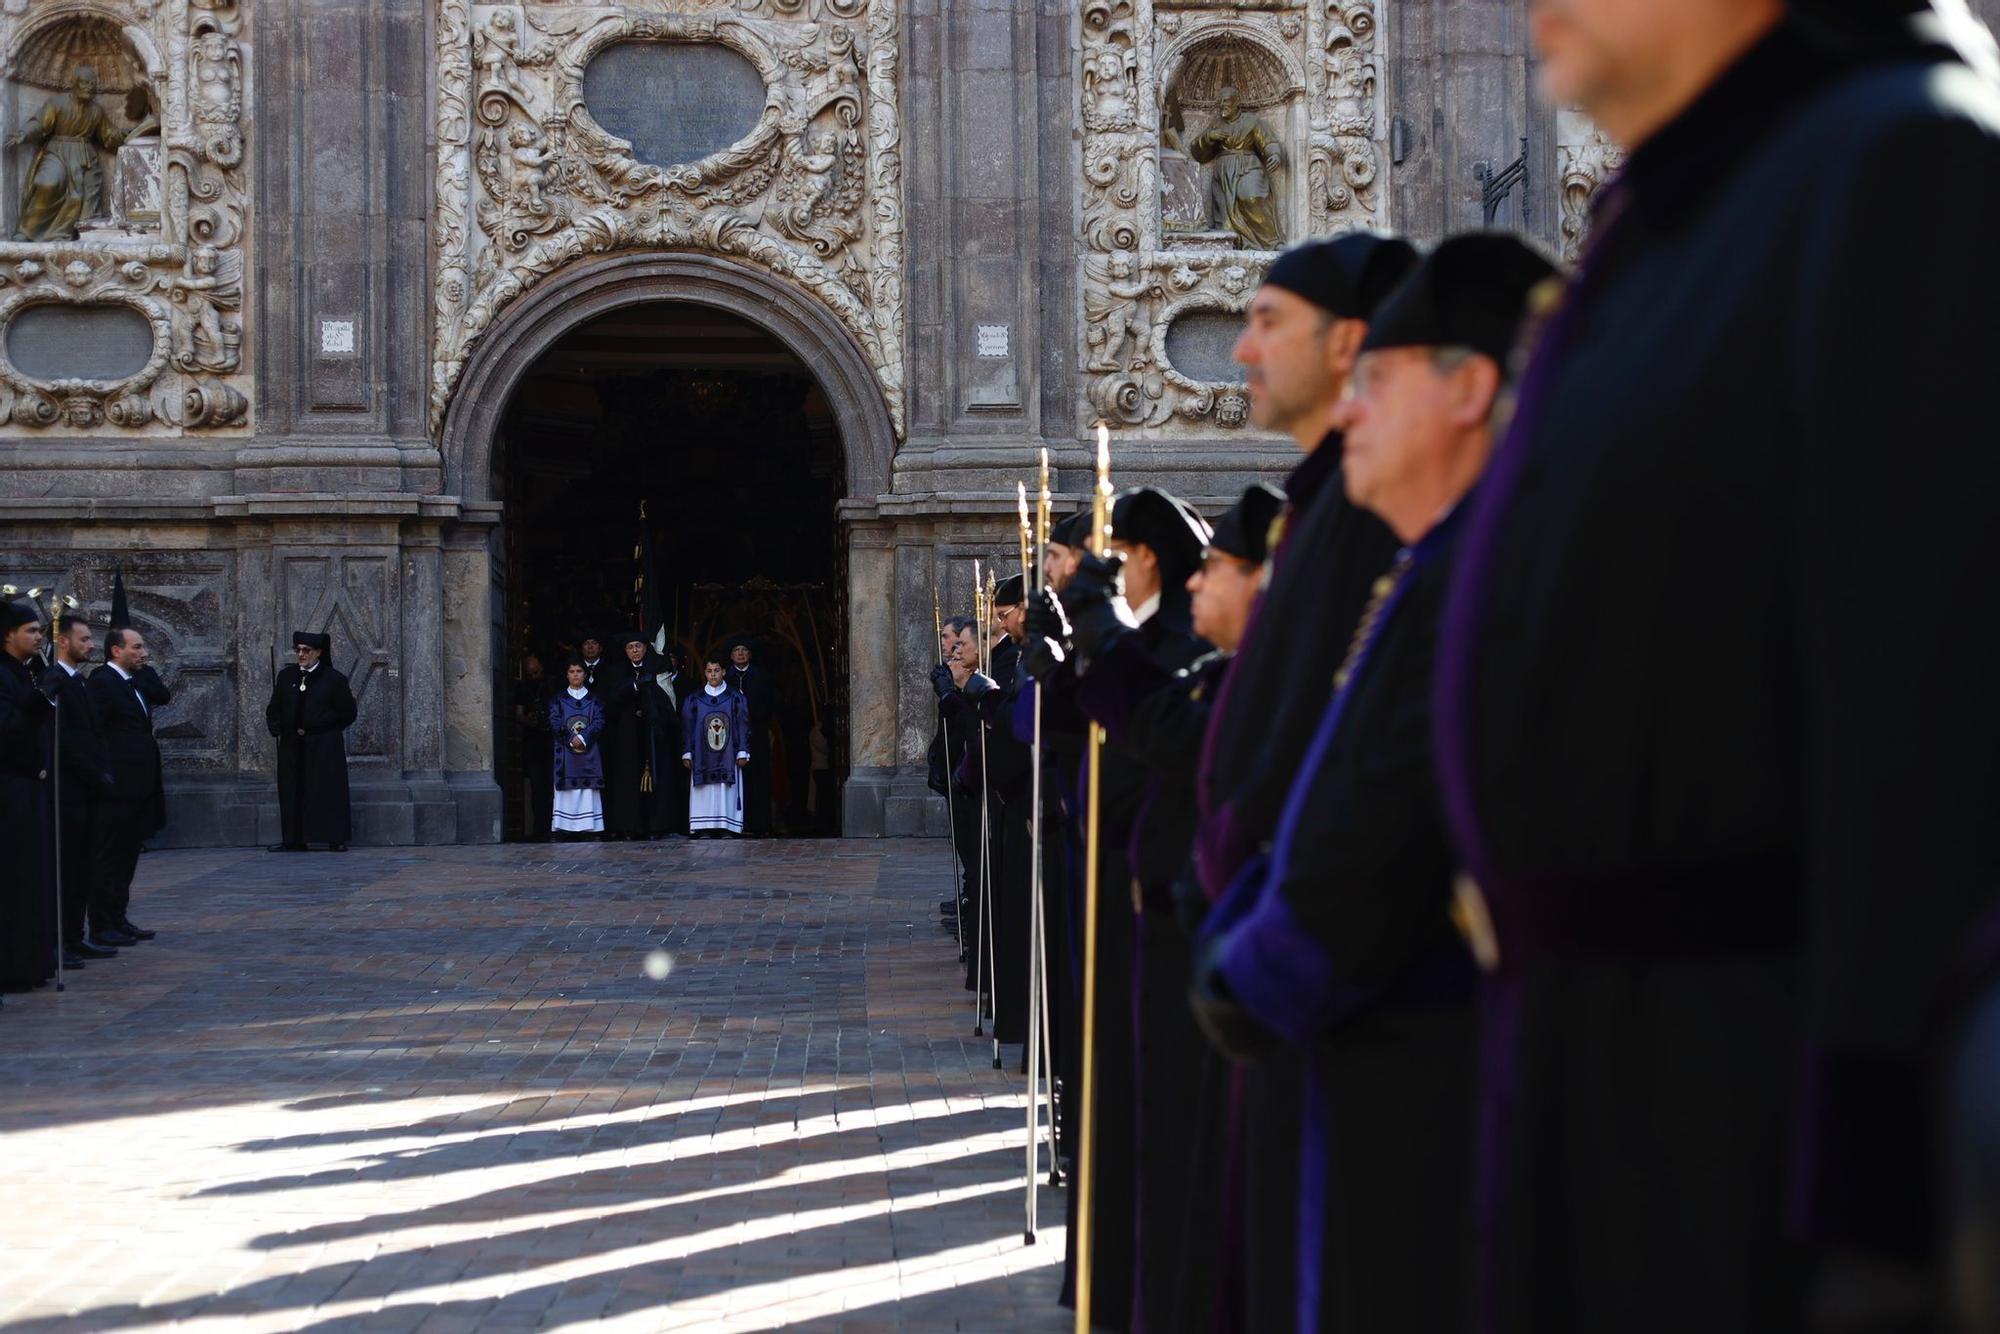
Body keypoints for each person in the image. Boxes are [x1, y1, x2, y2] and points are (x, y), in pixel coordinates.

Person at [1431, 5, 2000, 1331]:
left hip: (1748, 1115)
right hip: (1603, 1071)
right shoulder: (1694, 207)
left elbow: (1934, 740)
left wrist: (1881, 1220)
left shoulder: (1908, 163)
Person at [1192, 234, 1556, 1334]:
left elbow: (1377, 804)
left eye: (1377, 386)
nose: (1351, 414)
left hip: (1395, 1026)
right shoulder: (1410, 552)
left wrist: (1252, 957)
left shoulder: (1463, 570)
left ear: (1467, 390)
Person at [1175, 231, 1415, 1330]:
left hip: (1307, 948)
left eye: (1268, 320)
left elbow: (1354, 735)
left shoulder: (1366, 509)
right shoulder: (1323, 503)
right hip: (1260, 921)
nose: (1240, 350)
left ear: (1350, 340)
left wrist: (1251, 883)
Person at [1055, 486, 1211, 1331]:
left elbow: (1147, 722)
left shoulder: (1179, 646)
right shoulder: (1157, 639)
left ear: (1145, 559)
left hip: (1149, 899)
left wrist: (1095, 630)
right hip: (1112, 885)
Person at [89, 625, 168, 946]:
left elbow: (163, 696)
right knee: (109, 858)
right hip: (117, 789)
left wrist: (146, 673)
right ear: (116, 650)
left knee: (127, 857)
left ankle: (118, 918)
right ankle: (101, 923)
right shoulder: (102, 682)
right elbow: (95, 732)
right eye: (136, 648)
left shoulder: (136, 681)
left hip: (139, 787)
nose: (143, 653)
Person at [48, 614, 115, 962]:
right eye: (85, 639)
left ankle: (75, 934)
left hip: (90, 791)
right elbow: (67, 740)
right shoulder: (54, 680)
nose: (91, 645)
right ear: (63, 641)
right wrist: (92, 773)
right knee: (67, 869)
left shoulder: (81, 682)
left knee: (84, 867)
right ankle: (60, 939)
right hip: (69, 790)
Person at [0, 601, 56, 998]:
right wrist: (39, 704)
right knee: (15, 879)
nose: (39, 637)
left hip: (29, 785)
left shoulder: (23, 671)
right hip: (9, 788)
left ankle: (31, 963)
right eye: (32, 631)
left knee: (32, 877)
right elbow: (7, 729)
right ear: (9, 635)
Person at [264, 629, 357, 852]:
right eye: (298, 650)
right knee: (292, 790)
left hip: (324, 744)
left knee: (327, 790)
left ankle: (335, 838)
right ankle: (294, 839)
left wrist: (328, 729)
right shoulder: (286, 677)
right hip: (292, 745)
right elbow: (274, 707)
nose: (301, 655)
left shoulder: (334, 679)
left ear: (318, 653)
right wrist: (276, 726)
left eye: (306, 650)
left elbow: (348, 712)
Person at [602, 631, 676, 840]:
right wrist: (634, 686)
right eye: (630, 647)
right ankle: (630, 827)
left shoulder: (658, 669)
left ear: (646, 648)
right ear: (625, 651)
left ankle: (656, 825)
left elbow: (667, 702)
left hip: (653, 733)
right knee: (628, 780)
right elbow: (612, 697)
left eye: (638, 646)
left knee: (657, 777)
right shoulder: (618, 671)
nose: (635, 651)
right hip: (628, 736)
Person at [683, 652, 751, 836]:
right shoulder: (694, 699)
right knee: (704, 791)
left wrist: (743, 751)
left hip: (729, 754)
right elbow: (688, 727)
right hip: (702, 755)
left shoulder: (735, 698)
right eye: (709, 671)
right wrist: (687, 752)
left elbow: (743, 725)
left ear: (723, 672)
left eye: (717, 670)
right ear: (705, 673)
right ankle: (704, 827)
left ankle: (726, 827)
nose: (713, 674)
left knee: (725, 791)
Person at [548, 660, 606, 837]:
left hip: (589, 753)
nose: (575, 674)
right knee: (567, 790)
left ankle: (590, 827)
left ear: (585, 674)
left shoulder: (595, 700)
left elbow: (599, 721)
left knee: (587, 791)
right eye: (571, 671)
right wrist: (571, 739)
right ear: (567, 675)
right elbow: (554, 721)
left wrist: (583, 737)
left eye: (579, 671)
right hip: (565, 752)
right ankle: (564, 828)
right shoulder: (558, 700)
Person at [725, 637, 775, 836]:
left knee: (759, 779)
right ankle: (735, 823)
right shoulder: (724, 677)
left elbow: (769, 703)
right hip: (730, 739)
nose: (740, 653)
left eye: (744, 650)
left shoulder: (761, 677)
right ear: (731, 655)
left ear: (750, 654)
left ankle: (760, 825)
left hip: (756, 734)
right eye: (736, 650)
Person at [512, 654, 555, 841]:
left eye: (533, 663)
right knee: (537, 786)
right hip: (533, 739)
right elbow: (518, 713)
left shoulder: (552, 684)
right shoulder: (522, 687)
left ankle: (557, 825)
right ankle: (539, 828)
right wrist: (530, 720)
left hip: (553, 739)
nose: (530, 666)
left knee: (555, 784)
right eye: (527, 663)